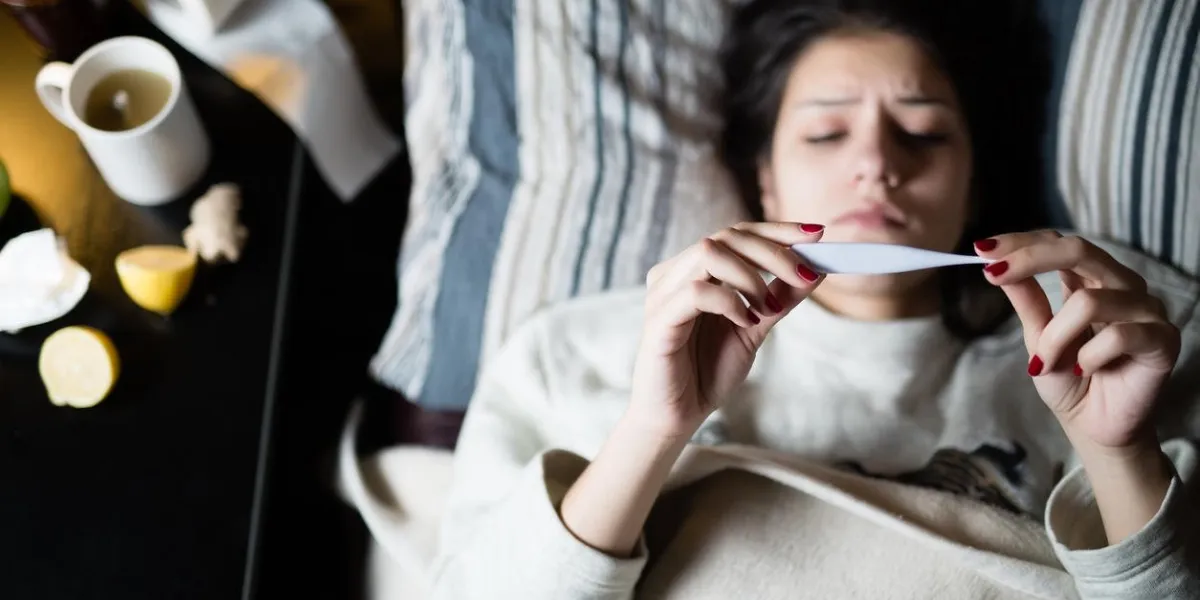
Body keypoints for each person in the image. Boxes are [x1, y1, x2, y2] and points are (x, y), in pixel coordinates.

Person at [428, 0, 1199, 598]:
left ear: (975, 186)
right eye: (827, 134)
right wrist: (652, 430)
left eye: (923, 135)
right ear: (764, 177)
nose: (875, 164)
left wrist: (1116, 453)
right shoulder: (570, 352)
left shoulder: (1113, 342)